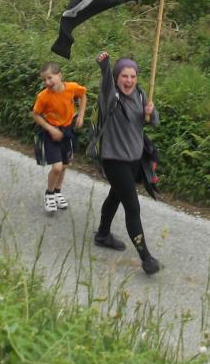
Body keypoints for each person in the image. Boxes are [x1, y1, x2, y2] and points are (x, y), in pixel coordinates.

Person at [92, 51, 161, 275]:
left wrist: (151, 112)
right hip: (115, 160)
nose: (129, 81)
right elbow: (106, 86)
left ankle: (103, 234)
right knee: (132, 207)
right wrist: (105, 67)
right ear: (116, 78)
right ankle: (146, 258)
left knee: (115, 196)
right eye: (124, 76)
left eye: (132, 76)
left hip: (134, 159)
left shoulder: (140, 94)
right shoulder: (111, 97)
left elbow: (153, 123)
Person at [30, 61, 87, 215]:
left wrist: (81, 115)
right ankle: (49, 194)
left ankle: (57, 191)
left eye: (50, 78)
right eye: (44, 80)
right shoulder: (43, 96)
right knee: (57, 167)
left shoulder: (72, 88)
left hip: (67, 132)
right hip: (51, 134)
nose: (47, 82)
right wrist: (50, 129)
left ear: (60, 76)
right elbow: (35, 114)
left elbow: (83, 95)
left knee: (65, 166)